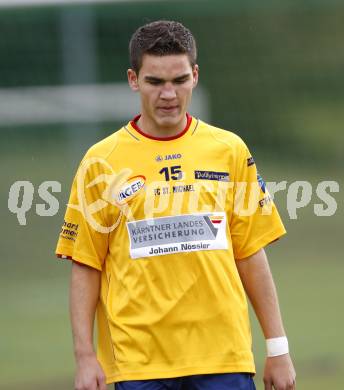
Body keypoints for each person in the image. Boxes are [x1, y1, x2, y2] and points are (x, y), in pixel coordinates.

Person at [56, 20, 296, 390]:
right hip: (137, 364)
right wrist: (85, 355)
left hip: (223, 356)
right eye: (155, 82)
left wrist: (278, 348)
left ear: (195, 76)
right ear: (134, 80)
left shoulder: (229, 150)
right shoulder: (100, 161)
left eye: (179, 80)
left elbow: (250, 252)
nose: (168, 93)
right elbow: (86, 264)